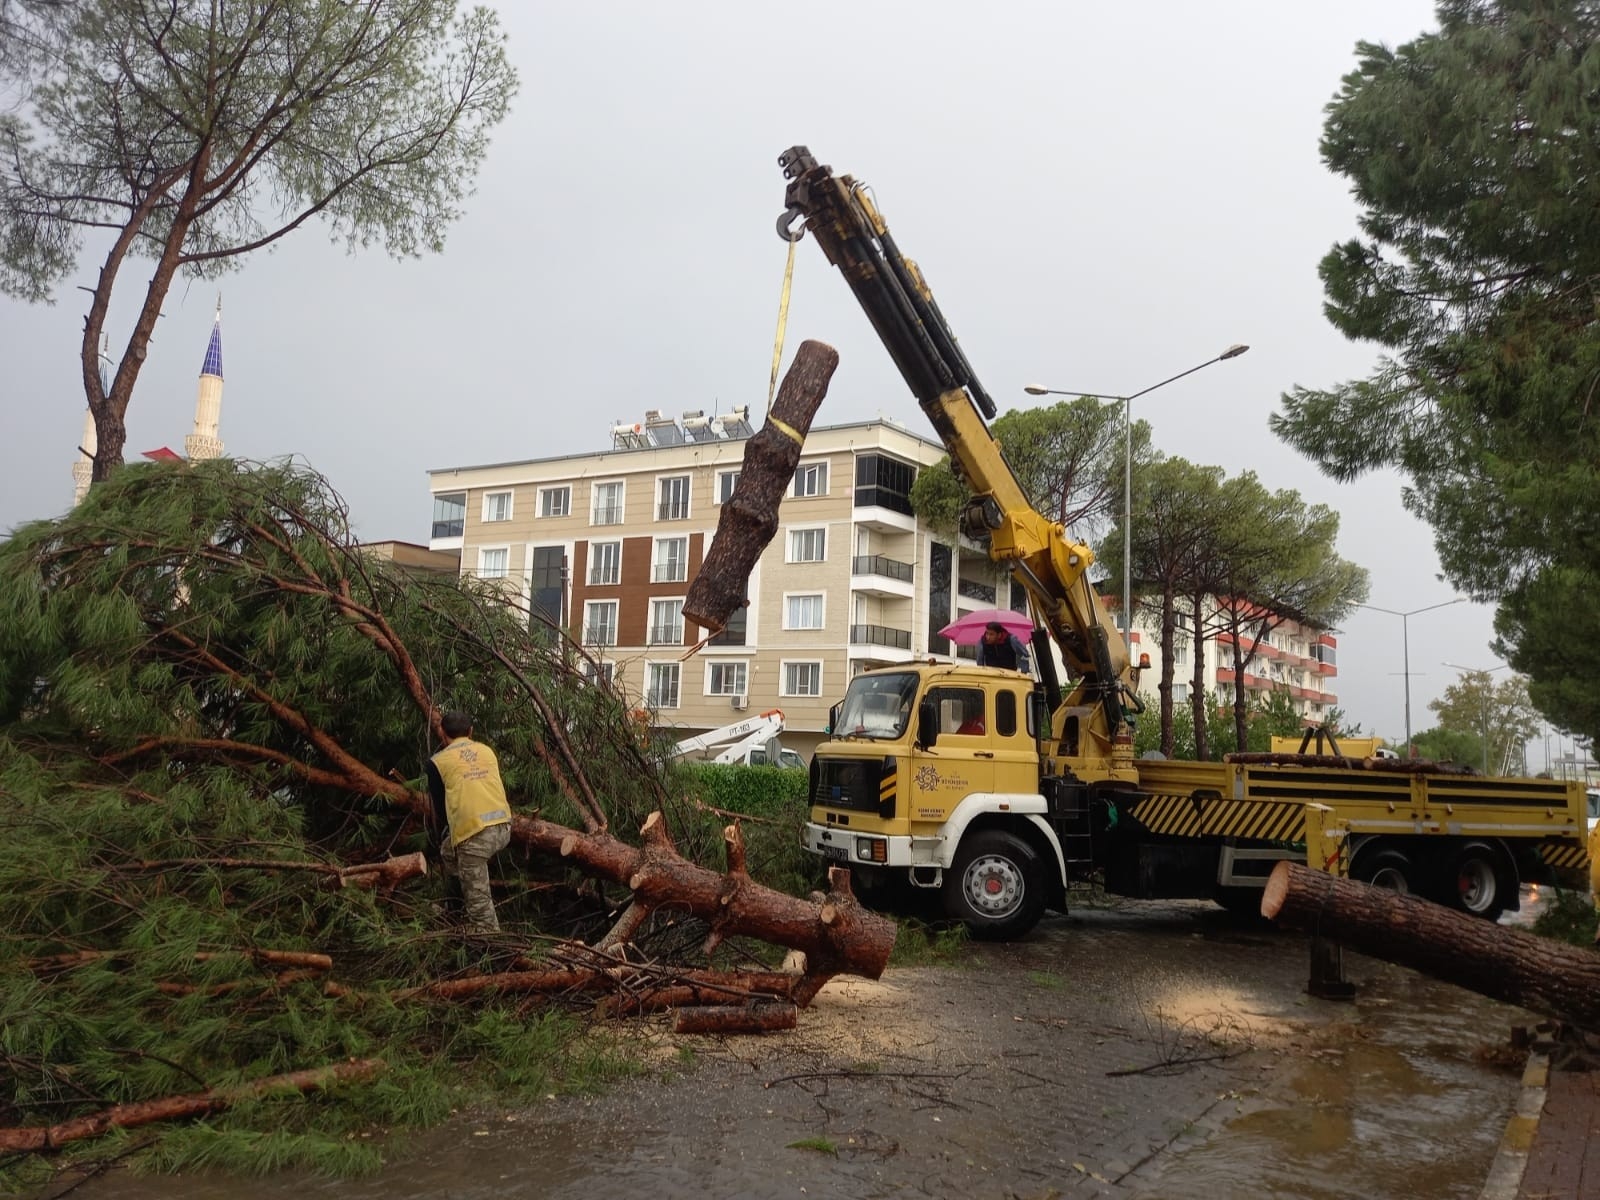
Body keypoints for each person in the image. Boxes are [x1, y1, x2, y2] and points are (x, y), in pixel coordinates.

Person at [425, 711, 513, 934]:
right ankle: (455, 906)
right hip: (504, 827)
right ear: (471, 731)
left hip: (475, 839)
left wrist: (449, 828)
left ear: (442, 732)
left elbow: (440, 808)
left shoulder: (437, 762)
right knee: (448, 851)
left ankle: (491, 944)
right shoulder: (487, 751)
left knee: (481, 915)